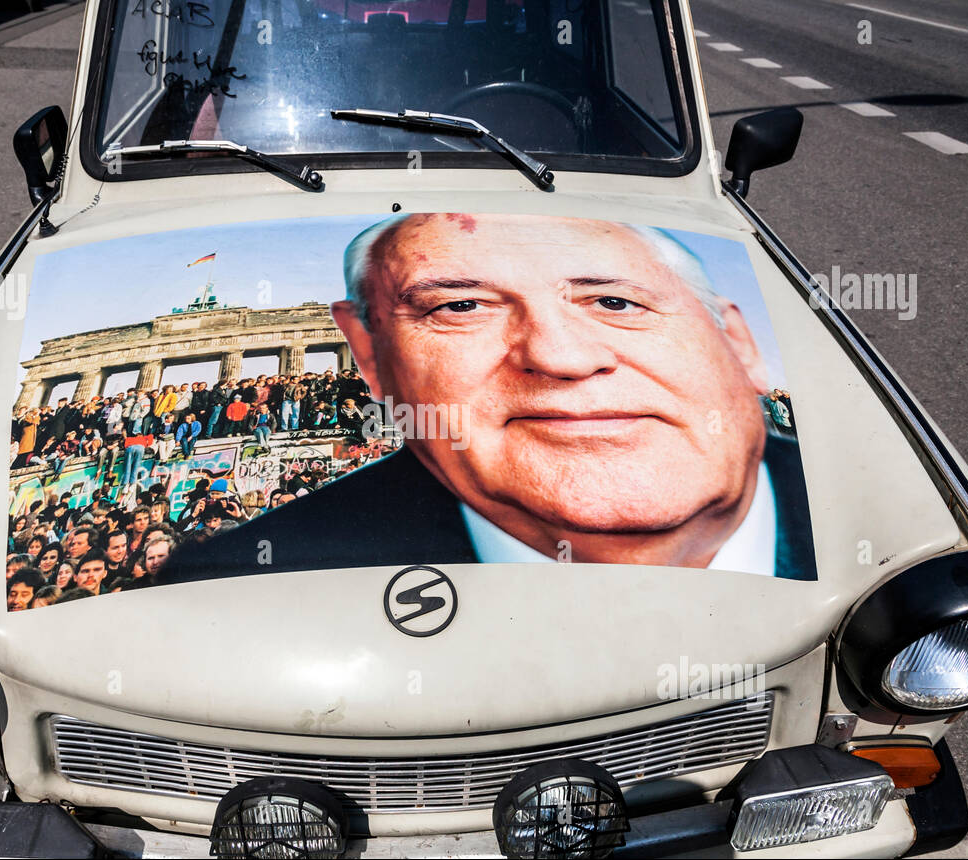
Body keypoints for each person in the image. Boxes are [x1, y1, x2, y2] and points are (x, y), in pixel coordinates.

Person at [162, 213, 815, 585]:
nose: (561, 356)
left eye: (616, 302)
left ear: (738, 340)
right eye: (461, 306)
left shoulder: (890, 523)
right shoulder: (227, 580)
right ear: (369, 358)